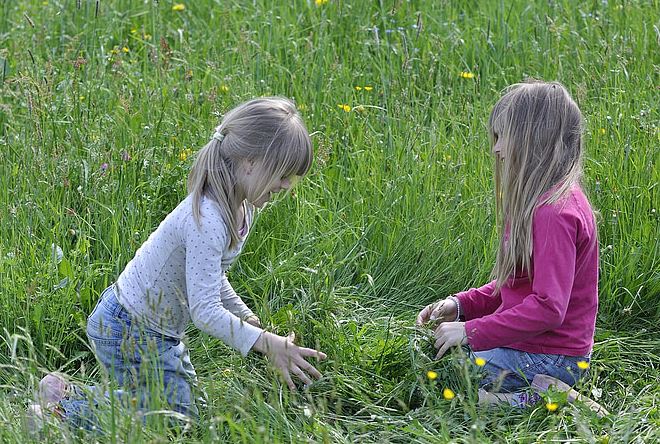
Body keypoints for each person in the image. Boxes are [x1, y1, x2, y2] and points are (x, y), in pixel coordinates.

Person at [29, 97, 327, 430]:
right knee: (171, 421)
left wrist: (247, 319)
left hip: (156, 330)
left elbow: (209, 276)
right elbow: (205, 311)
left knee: (185, 408)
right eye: (283, 174)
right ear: (249, 161)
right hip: (128, 327)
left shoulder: (243, 208)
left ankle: (61, 393)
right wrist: (263, 342)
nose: (287, 185)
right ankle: (58, 416)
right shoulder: (209, 219)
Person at [416, 81, 600, 408]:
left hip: (552, 357)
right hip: (536, 349)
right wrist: (459, 306)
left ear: (534, 141)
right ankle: (534, 392)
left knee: (447, 371)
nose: (496, 149)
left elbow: (547, 307)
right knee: (439, 353)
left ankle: (540, 398)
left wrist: (470, 332)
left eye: (503, 137)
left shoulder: (553, 213)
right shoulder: (543, 204)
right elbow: (515, 287)